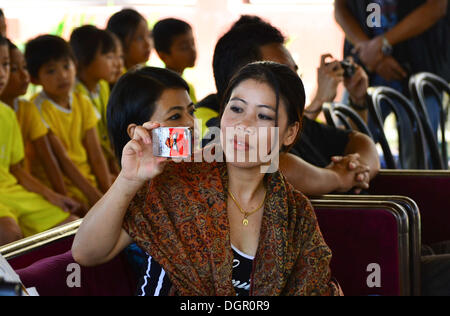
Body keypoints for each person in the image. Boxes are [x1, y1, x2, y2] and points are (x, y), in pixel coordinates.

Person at [72, 63, 343, 296]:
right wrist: (128, 180)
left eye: (263, 115)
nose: (243, 125)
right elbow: (86, 253)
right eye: (236, 109)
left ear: (289, 133)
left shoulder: (296, 214)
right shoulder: (176, 184)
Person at [197, 15, 380, 187]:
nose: (294, 82)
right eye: (282, 75)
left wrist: (356, 171)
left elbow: (359, 142)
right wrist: (336, 178)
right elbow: (269, 166)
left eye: (294, 73)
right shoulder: (218, 128)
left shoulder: (291, 123)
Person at [335, 0, 449, 168]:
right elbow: (340, 7)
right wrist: (367, 49)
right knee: (346, 153)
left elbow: (438, 6)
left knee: (418, 164)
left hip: (419, 67)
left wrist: (381, 44)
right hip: (363, 69)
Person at [0, 35, 79, 246]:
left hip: (14, 193)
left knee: (73, 228)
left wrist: (53, 196)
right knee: (8, 234)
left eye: (5, 65)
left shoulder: (6, 115)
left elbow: (16, 169)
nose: (2, 73)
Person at [25, 34, 112, 207]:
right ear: (35, 78)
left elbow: (96, 155)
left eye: (66, 66)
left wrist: (108, 191)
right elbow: (62, 162)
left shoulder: (82, 102)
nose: (62, 75)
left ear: (75, 66)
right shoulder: (37, 108)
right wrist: (97, 198)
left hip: (88, 181)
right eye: (51, 71)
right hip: (64, 187)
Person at [70, 25, 120, 176]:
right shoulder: (75, 94)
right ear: (85, 58)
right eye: (109, 57)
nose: (116, 64)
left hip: (107, 160)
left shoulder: (102, 86)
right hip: (88, 166)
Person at [152, 18, 198, 103]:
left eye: (193, 43)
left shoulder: (188, 86)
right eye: (184, 47)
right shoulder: (163, 91)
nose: (192, 50)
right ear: (163, 56)